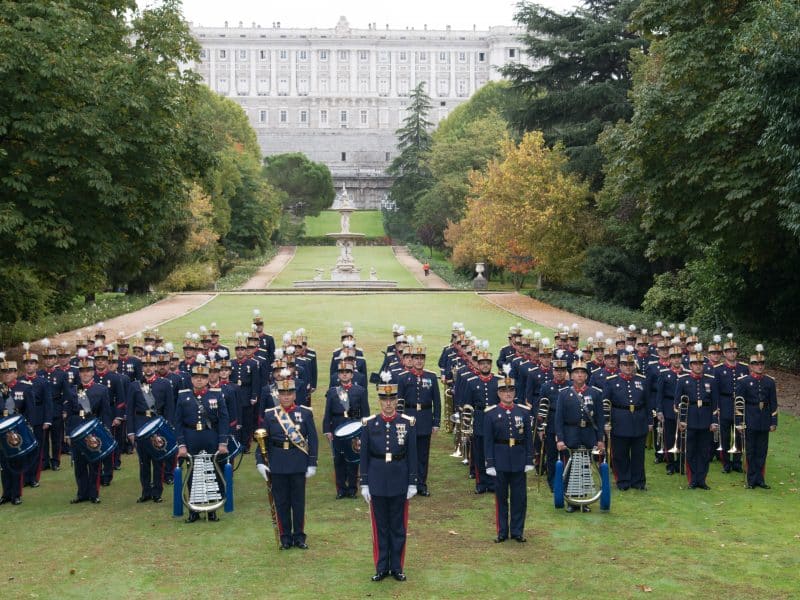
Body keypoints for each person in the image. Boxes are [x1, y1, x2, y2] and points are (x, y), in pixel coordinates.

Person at [360, 373, 418, 582]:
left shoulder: (407, 423)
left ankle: (397, 567)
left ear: (396, 400)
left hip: (399, 479)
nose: (388, 404)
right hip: (376, 480)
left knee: (398, 526)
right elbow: (364, 456)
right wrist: (364, 483)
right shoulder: (369, 424)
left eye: (391, 399)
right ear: (379, 401)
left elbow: (412, 454)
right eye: (384, 399)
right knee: (380, 527)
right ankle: (381, 566)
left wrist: (412, 482)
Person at [255, 378, 318, 548]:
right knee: (281, 502)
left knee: (298, 502)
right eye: (283, 394)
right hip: (277, 462)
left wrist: (312, 462)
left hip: (298, 461)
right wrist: (260, 462)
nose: (286, 397)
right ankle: (285, 538)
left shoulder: (305, 413)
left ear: (295, 395)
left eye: (289, 393)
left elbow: (313, 439)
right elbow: (263, 441)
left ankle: (299, 537)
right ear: (278, 395)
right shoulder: (270, 414)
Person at [174, 359, 230, 523]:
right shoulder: (183, 396)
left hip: (210, 436)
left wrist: (222, 442)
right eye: (196, 377)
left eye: (203, 377)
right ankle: (194, 510)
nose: (199, 380)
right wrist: (181, 444)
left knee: (212, 472)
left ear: (207, 379)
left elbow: (224, 419)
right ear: (191, 379)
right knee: (192, 473)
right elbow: (178, 421)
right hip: (190, 437)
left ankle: (212, 509)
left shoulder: (216, 395)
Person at [484, 375, 533, 541]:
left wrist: (529, 460)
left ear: (515, 392)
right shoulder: (491, 414)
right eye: (504, 391)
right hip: (500, 460)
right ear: (498, 393)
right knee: (501, 498)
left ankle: (517, 531)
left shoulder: (523, 412)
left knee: (519, 498)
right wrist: (490, 463)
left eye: (511, 390)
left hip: (519, 459)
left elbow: (528, 438)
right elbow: (488, 441)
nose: (508, 394)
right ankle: (502, 532)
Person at [554, 356, 605, 512]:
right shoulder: (564, 394)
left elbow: (600, 418)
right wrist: (560, 439)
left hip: (588, 434)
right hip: (570, 434)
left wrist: (600, 439)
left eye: (582, 372)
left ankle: (583, 500)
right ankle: (570, 501)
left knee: (585, 468)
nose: (579, 375)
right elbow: (559, 419)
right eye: (576, 372)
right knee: (569, 469)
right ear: (571, 375)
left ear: (587, 376)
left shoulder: (595, 393)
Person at [127, 355, 174, 503]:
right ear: (142, 367)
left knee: (158, 461)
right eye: (145, 365)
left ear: (155, 366)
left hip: (157, 424)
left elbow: (170, 408)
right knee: (143, 462)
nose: (148, 368)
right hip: (140, 425)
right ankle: (145, 492)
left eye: (151, 365)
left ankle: (157, 492)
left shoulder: (164, 383)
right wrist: (131, 431)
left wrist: (168, 427)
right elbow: (130, 410)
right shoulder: (134, 385)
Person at [397, 339, 440, 497]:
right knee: (407, 453)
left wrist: (436, 422)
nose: (419, 361)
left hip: (425, 419)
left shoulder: (431, 377)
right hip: (408, 419)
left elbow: (437, 402)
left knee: (423, 455)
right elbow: (399, 403)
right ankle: (409, 483)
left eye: (421, 358)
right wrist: (399, 421)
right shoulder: (403, 377)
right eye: (416, 358)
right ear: (412, 359)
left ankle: (421, 484)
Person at [65, 355, 111, 505]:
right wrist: (68, 433)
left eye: (88, 371)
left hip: (93, 428)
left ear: (93, 372)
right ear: (79, 373)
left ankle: (94, 493)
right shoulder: (72, 390)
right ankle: (82, 493)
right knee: (79, 464)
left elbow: (105, 413)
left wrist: (105, 431)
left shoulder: (101, 389)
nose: (85, 374)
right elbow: (69, 414)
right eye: (82, 371)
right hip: (77, 428)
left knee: (94, 463)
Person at [604, 352, 652, 491]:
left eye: (631, 364)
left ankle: (638, 482)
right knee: (620, 454)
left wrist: (650, 421)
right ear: (620, 366)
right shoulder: (611, 381)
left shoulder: (642, 380)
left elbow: (648, 403)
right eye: (625, 364)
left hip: (639, 420)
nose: (628, 367)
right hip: (619, 420)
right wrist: (606, 422)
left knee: (638, 454)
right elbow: (605, 403)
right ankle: (623, 481)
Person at [674, 345, 718, 490]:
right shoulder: (683, 380)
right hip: (690, 420)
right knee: (691, 451)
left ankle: (702, 479)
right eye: (695, 364)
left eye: (700, 364)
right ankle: (692, 479)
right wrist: (681, 420)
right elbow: (677, 403)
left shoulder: (711, 380)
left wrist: (714, 422)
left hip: (706, 420)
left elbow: (715, 404)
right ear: (690, 365)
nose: (698, 366)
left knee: (704, 452)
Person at [323, 361, 369, 498]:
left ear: (352, 374)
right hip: (337, 427)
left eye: (347, 372)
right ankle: (341, 489)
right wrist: (327, 430)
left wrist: (364, 431)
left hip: (353, 427)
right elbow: (327, 412)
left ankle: (352, 489)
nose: (344, 375)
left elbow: (365, 413)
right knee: (338, 459)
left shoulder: (360, 391)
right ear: (338, 375)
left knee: (353, 459)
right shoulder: (332, 392)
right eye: (342, 372)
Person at [740, 346, 777, 489]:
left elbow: (773, 403)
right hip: (750, 419)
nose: (759, 367)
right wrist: (740, 422)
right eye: (756, 364)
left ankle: (760, 479)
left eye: (761, 364)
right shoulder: (744, 381)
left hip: (764, 420)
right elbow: (739, 404)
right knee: (750, 451)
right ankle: (751, 479)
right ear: (751, 366)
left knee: (762, 451)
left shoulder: (769, 382)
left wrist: (773, 421)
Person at [0, 355, 35, 505]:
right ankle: (6, 493)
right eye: (4, 372)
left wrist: (28, 428)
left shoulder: (25, 388)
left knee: (16, 463)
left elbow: (30, 411)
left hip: (18, 433)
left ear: (16, 372)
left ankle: (16, 494)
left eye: (10, 371)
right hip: (2, 433)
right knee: (4, 464)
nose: (6, 374)